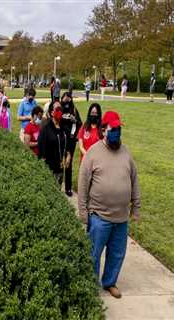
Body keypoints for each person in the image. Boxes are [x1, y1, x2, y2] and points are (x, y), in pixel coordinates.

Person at [78, 110, 141, 299]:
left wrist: (136, 206)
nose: (117, 133)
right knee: (94, 254)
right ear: (104, 130)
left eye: (119, 129)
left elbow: (134, 180)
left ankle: (109, 282)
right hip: (99, 216)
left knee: (117, 254)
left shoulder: (126, 153)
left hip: (121, 218)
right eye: (113, 129)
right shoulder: (93, 153)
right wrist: (83, 212)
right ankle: (90, 285)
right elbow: (82, 183)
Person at [38, 101, 67, 186]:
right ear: (51, 112)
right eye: (57, 109)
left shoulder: (63, 127)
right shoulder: (45, 129)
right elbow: (41, 149)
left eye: (61, 109)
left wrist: (67, 155)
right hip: (49, 169)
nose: (60, 111)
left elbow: (65, 143)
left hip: (60, 168)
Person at [60, 92, 82, 197]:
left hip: (71, 141)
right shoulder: (59, 108)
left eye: (69, 98)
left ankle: (68, 188)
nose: (67, 100)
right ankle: (58, 184)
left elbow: (80, 123)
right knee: (59, 162)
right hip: (60, 139)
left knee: (68, 164)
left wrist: (75, 120)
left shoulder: (74, 109)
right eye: (65, 98)